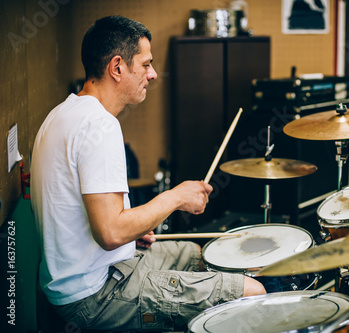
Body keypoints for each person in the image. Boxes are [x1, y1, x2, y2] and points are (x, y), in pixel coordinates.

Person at [31, 15, 266, 331]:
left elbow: (85, 215)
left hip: (86, 272)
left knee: (193, 253)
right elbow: (111, 232)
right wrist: (175, 197)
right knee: (254, 293)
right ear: (117, 67)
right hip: (94, 295)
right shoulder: (100, 126)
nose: (153, 75)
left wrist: (135, 228)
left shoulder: (63, 114)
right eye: (145, 65)